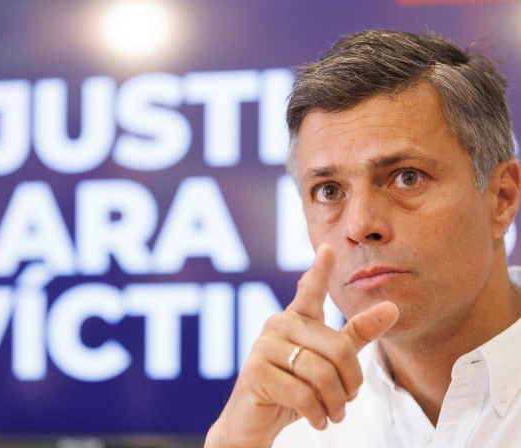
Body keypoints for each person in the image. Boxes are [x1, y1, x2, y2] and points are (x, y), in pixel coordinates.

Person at [205, 30, 521, 447]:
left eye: (407, 178)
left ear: (501, 197)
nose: (359, 225)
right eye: (328, 191)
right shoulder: (288, 429)